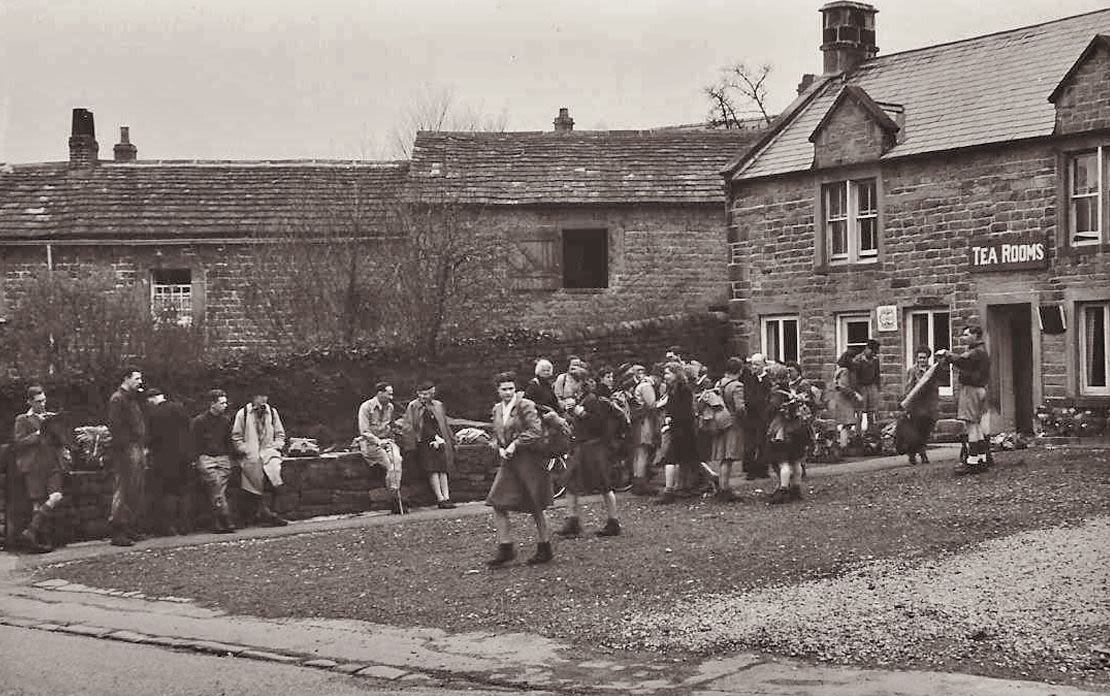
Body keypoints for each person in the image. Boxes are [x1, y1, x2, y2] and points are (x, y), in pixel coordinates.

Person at [485, 372, 554, 567]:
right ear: (497, 391)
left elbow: (535, 431)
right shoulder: (497, 409)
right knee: (497, 501)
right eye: (504, 389)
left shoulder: (525, 405)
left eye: (511, 389)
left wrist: (515, 444)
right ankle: (505, 547)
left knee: (536, 504)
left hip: (529, 460)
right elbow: (495, 434)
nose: (508, 392)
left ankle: (545, 546)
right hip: (509, 462)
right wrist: (498, 447)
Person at [556, 377, 622, 538]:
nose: (567, 386)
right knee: (571, 482)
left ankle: (613, 522)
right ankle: (573, 521)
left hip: (594, 448)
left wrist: (582, 413)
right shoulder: (581, 399)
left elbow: (598, 424)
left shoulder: (593, 400)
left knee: (604, 485)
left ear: (580, 383)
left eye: (570, 382)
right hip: (582, 447)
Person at [12, 386, 67, 553]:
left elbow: (60, 441)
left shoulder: (49, 417)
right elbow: (19, 443)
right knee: (37, 501)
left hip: (51, 463)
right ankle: (38, 540)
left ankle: (31, 531)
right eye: (38, 402)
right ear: (29, 402)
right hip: (34, 465)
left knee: (56, 496)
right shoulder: (22, 419)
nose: (42, 404)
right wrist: (38, 431)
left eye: (44, 400)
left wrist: (55, 426)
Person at [938, 325, 992, 474]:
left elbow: (961, 360)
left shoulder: (975, 352)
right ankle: (982, 459)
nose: (964, 337)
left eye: (967, 334)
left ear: (975, 335)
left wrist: (947, 355)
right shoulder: (983, 351)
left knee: (971, 425)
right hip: (981, 389)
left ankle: (972, 461)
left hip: (971, 390)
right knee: (978, 427)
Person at [231, 393, 289, 527]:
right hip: (251, 455)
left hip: (269, 453)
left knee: (273, 478)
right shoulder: (243, 413)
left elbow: (280, 433)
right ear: (254, 397)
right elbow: (236, 436)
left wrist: (277, 446)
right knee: (253, 483)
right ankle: (262, 514)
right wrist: (245, 449)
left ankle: (268, 513)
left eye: (266, 396)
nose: (264, 399)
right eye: (261, 396)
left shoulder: (272, 413)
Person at [107, 367, 148, 547]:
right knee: (123, 489)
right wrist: (125, 449)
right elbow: (116, 427)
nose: (140, 382)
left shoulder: (130, 399)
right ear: (126, 379)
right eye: (137, 378)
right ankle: (118, 530)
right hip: (126, 449)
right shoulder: (118, 399)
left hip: (135, 447)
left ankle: (129, 527)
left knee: (135, 489)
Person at [144, 388, 194, 536]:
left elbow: (152, 438)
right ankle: (185, 525)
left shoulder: (154, 414)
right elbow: (189, 430)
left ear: (152, 398)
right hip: (184, 456)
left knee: (168, 492)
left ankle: (170, 527)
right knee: (184, 491)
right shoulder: (180, 408)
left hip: (164, 458)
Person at [401, 381, 457, 509]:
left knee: (443, 469)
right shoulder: (413, 406)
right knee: (432, 470)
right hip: (425, 442)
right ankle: (440, 498)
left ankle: (447, 497)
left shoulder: (438, 405)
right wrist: (412, 444)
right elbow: (411, 426)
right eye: (422, 394)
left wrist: (450, 440)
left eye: (427, 394)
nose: (424, 397)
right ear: (418, 394)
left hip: (440, 440)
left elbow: (444, 423)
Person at [765, 363, 812, 504]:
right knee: (796, 460)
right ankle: (796, 488)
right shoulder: (792, 391)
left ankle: (783, 489)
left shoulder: (777, 394)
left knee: (783, 462)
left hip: (782, 432)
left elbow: (770, 411)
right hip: (798, 430)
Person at [190, 389, 236, 533]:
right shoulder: (199, 421)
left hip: (222, 458)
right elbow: (194, 442)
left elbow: (229, 441)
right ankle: (224, 517)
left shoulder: (226, 421)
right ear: (213, 404)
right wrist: (195, 458)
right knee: (216, 484)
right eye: (222, 403)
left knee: (216, 488)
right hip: (206, 458)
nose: (225, 405)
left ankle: (218, 519)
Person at [655, 362, 699, 504]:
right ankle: (683, 487)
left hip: (682, 429)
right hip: (679, 428)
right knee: (685, 458)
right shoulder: (674, 389)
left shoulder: (683, 390)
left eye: (668, 373)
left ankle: (669, 491)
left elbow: (685, 411)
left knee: (671, 459)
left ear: (676, 374)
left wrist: (671, 419)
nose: (665, 376)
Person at [358, 382, 405, 514]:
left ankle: (395, 495)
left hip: (388, 442)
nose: (391, 397)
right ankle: (395, 499)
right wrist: (379, 442)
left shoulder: (390, 407)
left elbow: (392, 426)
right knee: (390, 465)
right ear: (380, 393)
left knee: (397, 460)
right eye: (389, 394)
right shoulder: (366, 407)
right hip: (371, 444)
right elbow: (364, 431)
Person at [709, 358, 746, 502]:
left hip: (719, 422)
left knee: (723, 455)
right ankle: (724, 488)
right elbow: (740, 408)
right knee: (728, 457)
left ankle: (722, 487)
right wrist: (743, 418)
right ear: (740, 370)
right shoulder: (737, 386)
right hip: (732, 423)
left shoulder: (720, 383)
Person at [901, 347, 941, 465]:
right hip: (916, 405)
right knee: (915, 430)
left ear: (928, 358)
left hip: (928, 404)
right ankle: (914, 454)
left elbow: (936, 388)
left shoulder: (932, 370)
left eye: (924, 358)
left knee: (926, 430)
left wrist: (935, 404)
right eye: (920, 358)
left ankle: (922, 451)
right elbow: (909, 388)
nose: (922, 360)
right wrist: (907, 405)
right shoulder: (912, 371)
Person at [625, 365, 658, 495]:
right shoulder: (645, 386)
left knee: (638, 453)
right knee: (642, 452)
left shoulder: (636, 386)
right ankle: (640, 483)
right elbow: (651, 405)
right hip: (645, 422)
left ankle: (636, 481)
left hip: (637, 422)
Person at [740, 353, 771, 479]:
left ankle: (763, 469)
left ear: (764, 364)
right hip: (751, 415)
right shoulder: (748, 379)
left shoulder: (768, 380)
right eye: (753, 364)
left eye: (757, 364)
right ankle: (750, 470)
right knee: (750, 443)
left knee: (763, 442)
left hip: (764, 415)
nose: (754, 367)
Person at [827, 349, 862, 450]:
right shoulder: (845, 371)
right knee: (847, 423)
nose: (856, 360)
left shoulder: (840, 370)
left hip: (839, 399)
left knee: (845, 423)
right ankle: (843, 445)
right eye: (854, 358)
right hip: (844, 400)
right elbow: (844, 387)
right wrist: (855, 394)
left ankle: (843, 444)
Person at [852, 340, 882, 434]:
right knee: (860, 413)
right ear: (867, 348)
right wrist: (856, 391)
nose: (873, 354)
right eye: (872, 351)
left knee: (872, 412)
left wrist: (877, 387)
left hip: (871, 386)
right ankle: (858, 434)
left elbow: (877, 374)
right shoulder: (858, 360)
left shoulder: (875, 360)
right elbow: (855, 377)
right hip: (861, 387)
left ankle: (871, 433)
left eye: (875, 352)